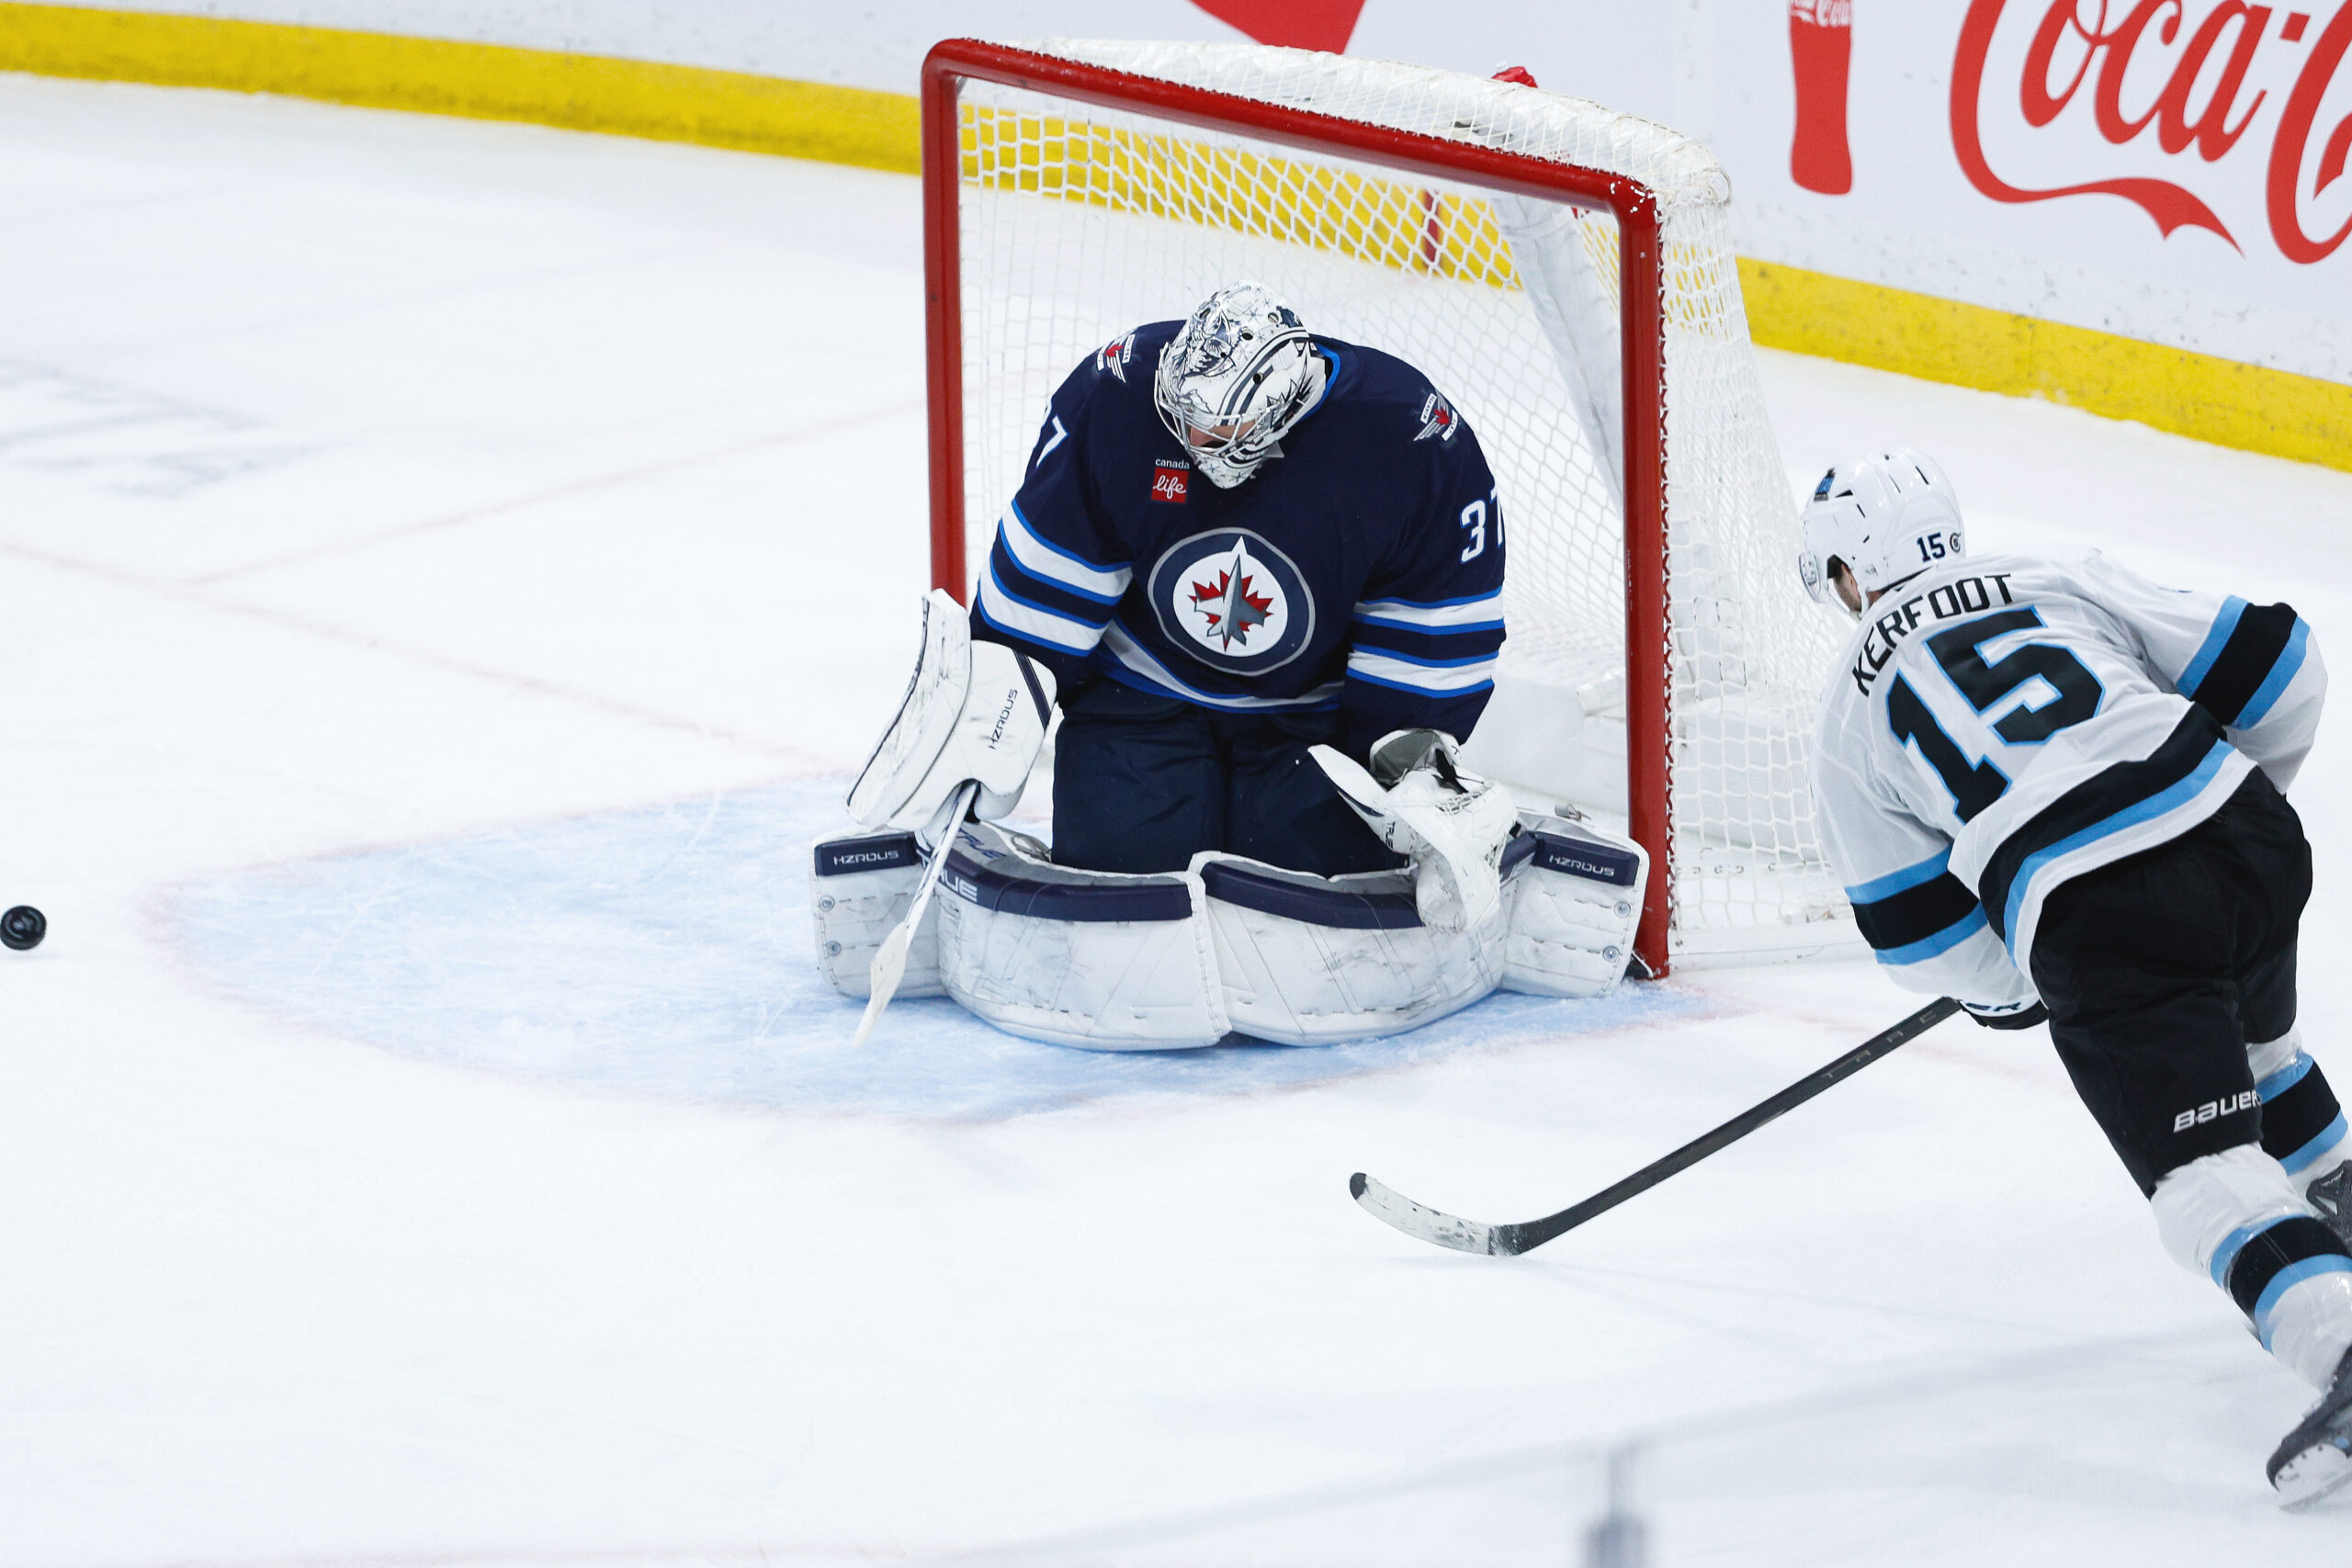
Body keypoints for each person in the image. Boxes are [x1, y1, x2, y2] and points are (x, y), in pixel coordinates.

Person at [1797, 448, 2352, 1507]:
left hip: (2103, 911)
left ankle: (2337, 1339)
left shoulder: (1843, 711)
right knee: (2253, 1049)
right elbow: (2283, 662)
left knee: (2200, 1176)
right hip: (2243, 835)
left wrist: (2025, 982)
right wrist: (2234, 801)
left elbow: (1918, 938)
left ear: (1845, 572)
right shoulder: (2049, 573)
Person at [965, 280, 1509, 880]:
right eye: (1180, 416)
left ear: (1277, 414)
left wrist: (1405, 772)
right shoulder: (1120, 394)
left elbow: (1432, 623)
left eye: (1212, 431)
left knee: (1309, 914)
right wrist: (983, 719)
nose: (1187, 440)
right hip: (1137, 697)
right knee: (1120, 889)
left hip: (1312, 729)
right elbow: (1040, 593)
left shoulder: (1409, 441)